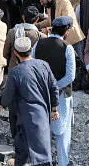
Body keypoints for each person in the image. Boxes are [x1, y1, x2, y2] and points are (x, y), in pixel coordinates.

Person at [0, 37, 59, 166]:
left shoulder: (15, 72)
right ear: (31, 50)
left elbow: (8, 95)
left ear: (15, 53)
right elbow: (54, 86)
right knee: (21, 147)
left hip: (28, 117)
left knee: (40, 156)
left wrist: (1, 103)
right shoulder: (43, 65)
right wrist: (54, 108)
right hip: (42, 113)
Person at [32, 16, 75, 166]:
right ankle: (63, 163)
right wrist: (55, 87)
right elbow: (70, 76)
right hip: (62, 95)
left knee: (45, 131)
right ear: (67, 31)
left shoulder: (39, 43)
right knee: (62, 133)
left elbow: (32, 65)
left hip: (41, 94)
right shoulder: (67, 48)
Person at [3, 6, 47, 71]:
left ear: (23, 17)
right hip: (33, 70)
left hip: (14, 69)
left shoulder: (12, 32)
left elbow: (5, 54)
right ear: (37, 19)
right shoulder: (41, 37)